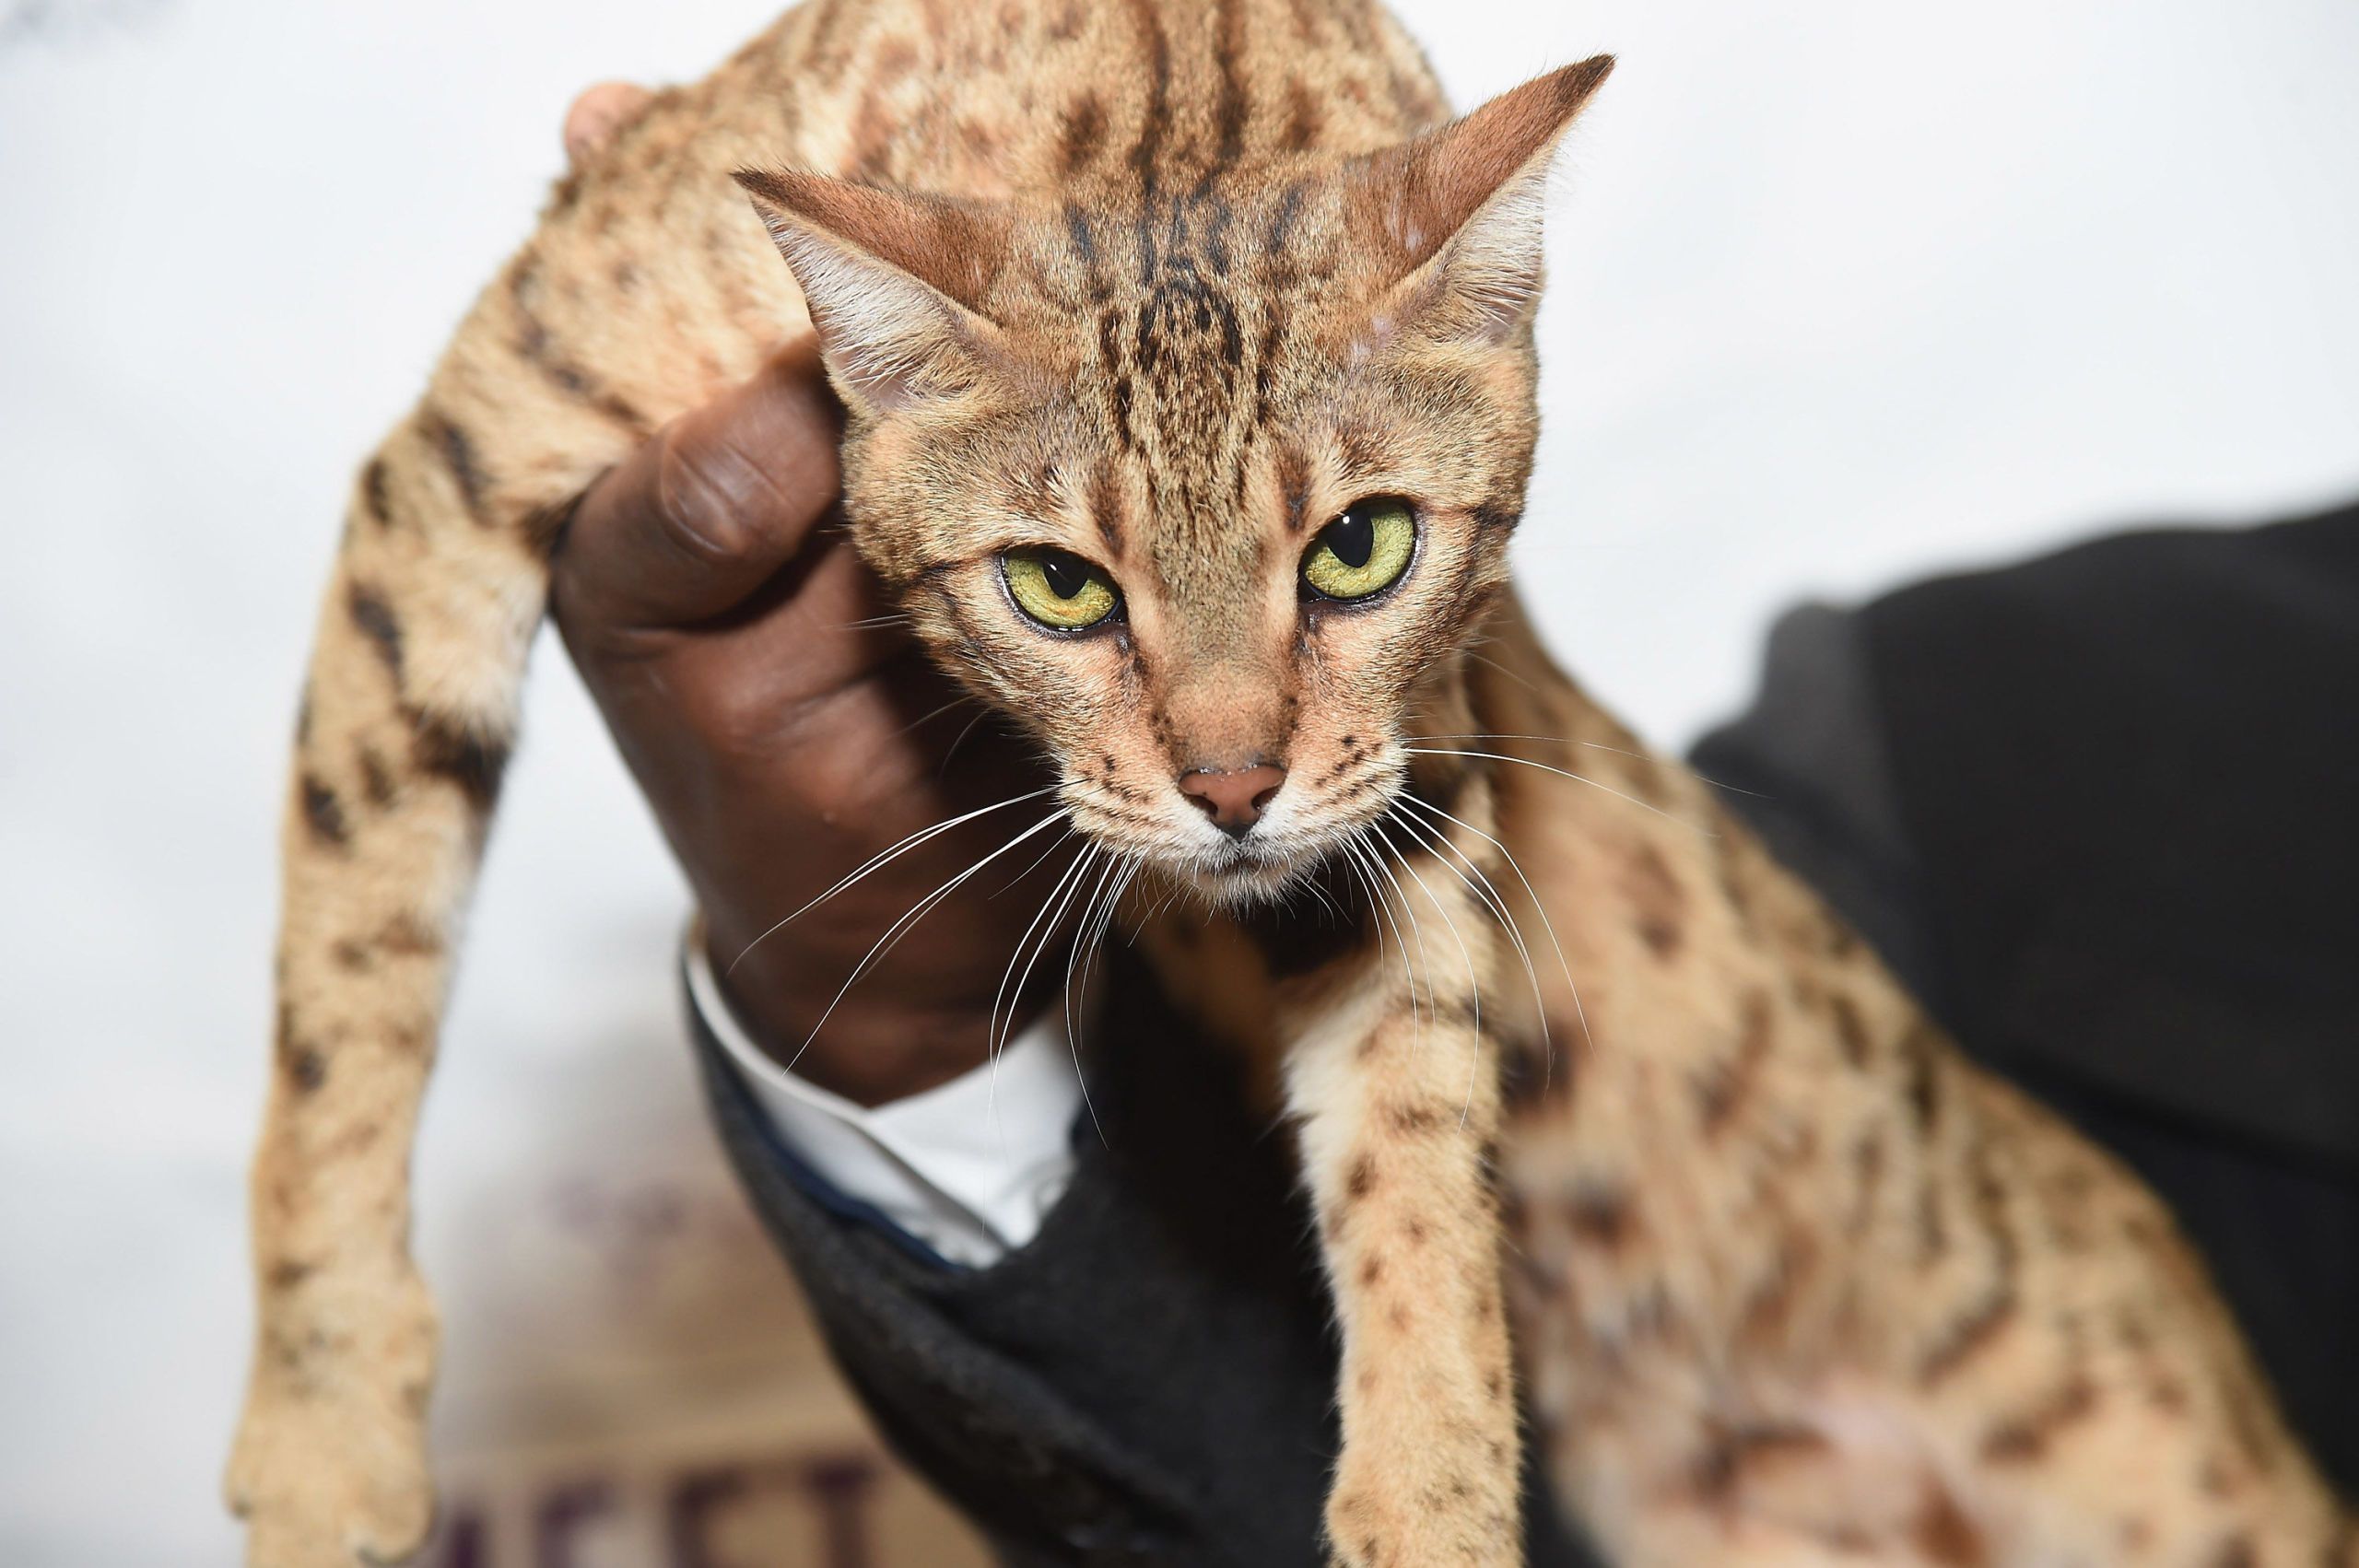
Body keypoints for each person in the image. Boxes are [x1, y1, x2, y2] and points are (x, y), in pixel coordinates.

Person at [549, 88, 2358, 1568]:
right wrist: (909, 1022)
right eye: (1066, 584)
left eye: (1345, 556)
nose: (1229, 751)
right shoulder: (1968, 737)